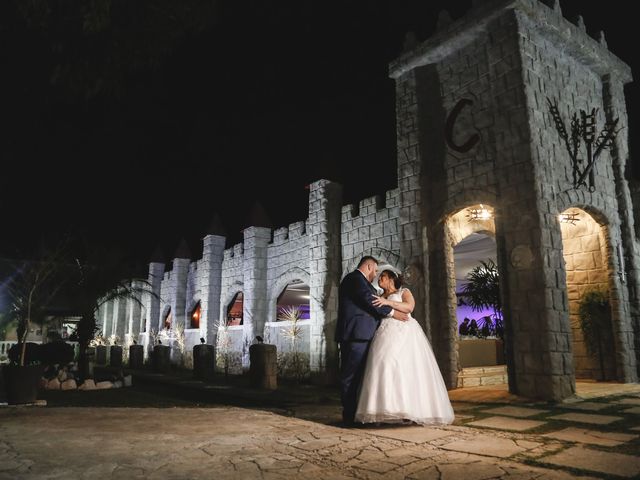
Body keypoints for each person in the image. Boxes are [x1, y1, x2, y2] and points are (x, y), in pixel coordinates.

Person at [354, 269, 455, 425]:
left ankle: (409, 409)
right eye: (379, 276)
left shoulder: (404, 291)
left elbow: (409, 307)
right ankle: (383, 408)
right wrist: (385, 304)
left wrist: (388, 302)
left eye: (383, 276)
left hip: (405, 333)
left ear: (392, 279)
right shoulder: (379, 296)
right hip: (385, 332)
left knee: (407, 367)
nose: (380, 278)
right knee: (383, 364)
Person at [336, 256, 409, 426]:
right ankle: (349, 416)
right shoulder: (355, 279)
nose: (375, 274)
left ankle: (356, 413)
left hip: (363, 334)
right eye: (375, 270)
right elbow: (369, 300)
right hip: (355, 335)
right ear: (368, 266)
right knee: (350, 376)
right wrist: (392, 313)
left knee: (359, 377)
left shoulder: (361, 282)